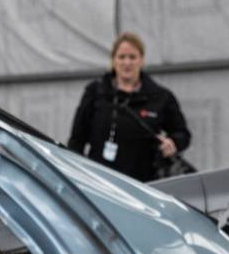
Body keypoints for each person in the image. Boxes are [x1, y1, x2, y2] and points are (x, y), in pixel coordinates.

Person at [67, 32, 190, 182]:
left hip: (144, 183)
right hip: (100, 182)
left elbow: (182, 133)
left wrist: (174, 143)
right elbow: (77, 140)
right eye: (121, 57)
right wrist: (78, 175)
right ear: (113, 60)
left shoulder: (160, 97)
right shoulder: (96, 92)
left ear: (141, 60)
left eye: (132, 57)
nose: (127, 63)